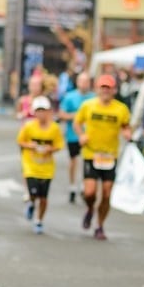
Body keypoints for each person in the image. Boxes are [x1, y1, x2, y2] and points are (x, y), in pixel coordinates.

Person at [74, 74, 132, 241]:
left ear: (114, 90)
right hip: (91, 153)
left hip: (110, 156)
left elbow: (125, 126)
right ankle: (90, 209)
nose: (105, 91)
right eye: (102, 87)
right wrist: (81, 135)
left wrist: (127, 133)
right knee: (90, 192)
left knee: (106, 194)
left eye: (108, 87)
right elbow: (77, 123)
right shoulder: (88, 106)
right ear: (97, 89)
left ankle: (100, 225)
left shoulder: (121, 109)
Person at [16, 96, 65, 234]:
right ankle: (31, 203)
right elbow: (20, 141)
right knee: (33, 193)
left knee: (43, 198)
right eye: (38, 110)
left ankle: (39, 221)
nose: (41, 114)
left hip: (46, 167)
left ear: (48, 111)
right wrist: (30, 145)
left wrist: (50, 149)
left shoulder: (54, 129)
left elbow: (59, 145)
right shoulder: (29, 126)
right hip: (31, 166)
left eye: (44, 110)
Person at [58, 73, 95, 204]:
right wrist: (76, 116)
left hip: (90, 136)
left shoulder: (94, 98)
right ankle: (72, 185)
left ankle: (84, 186)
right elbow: (61, 114)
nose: (84, 84)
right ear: (77, 82)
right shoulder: (70, 97)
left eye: (86, 81)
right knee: (74, 160)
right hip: (73, 135)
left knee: (88, 161)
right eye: (82, 81)